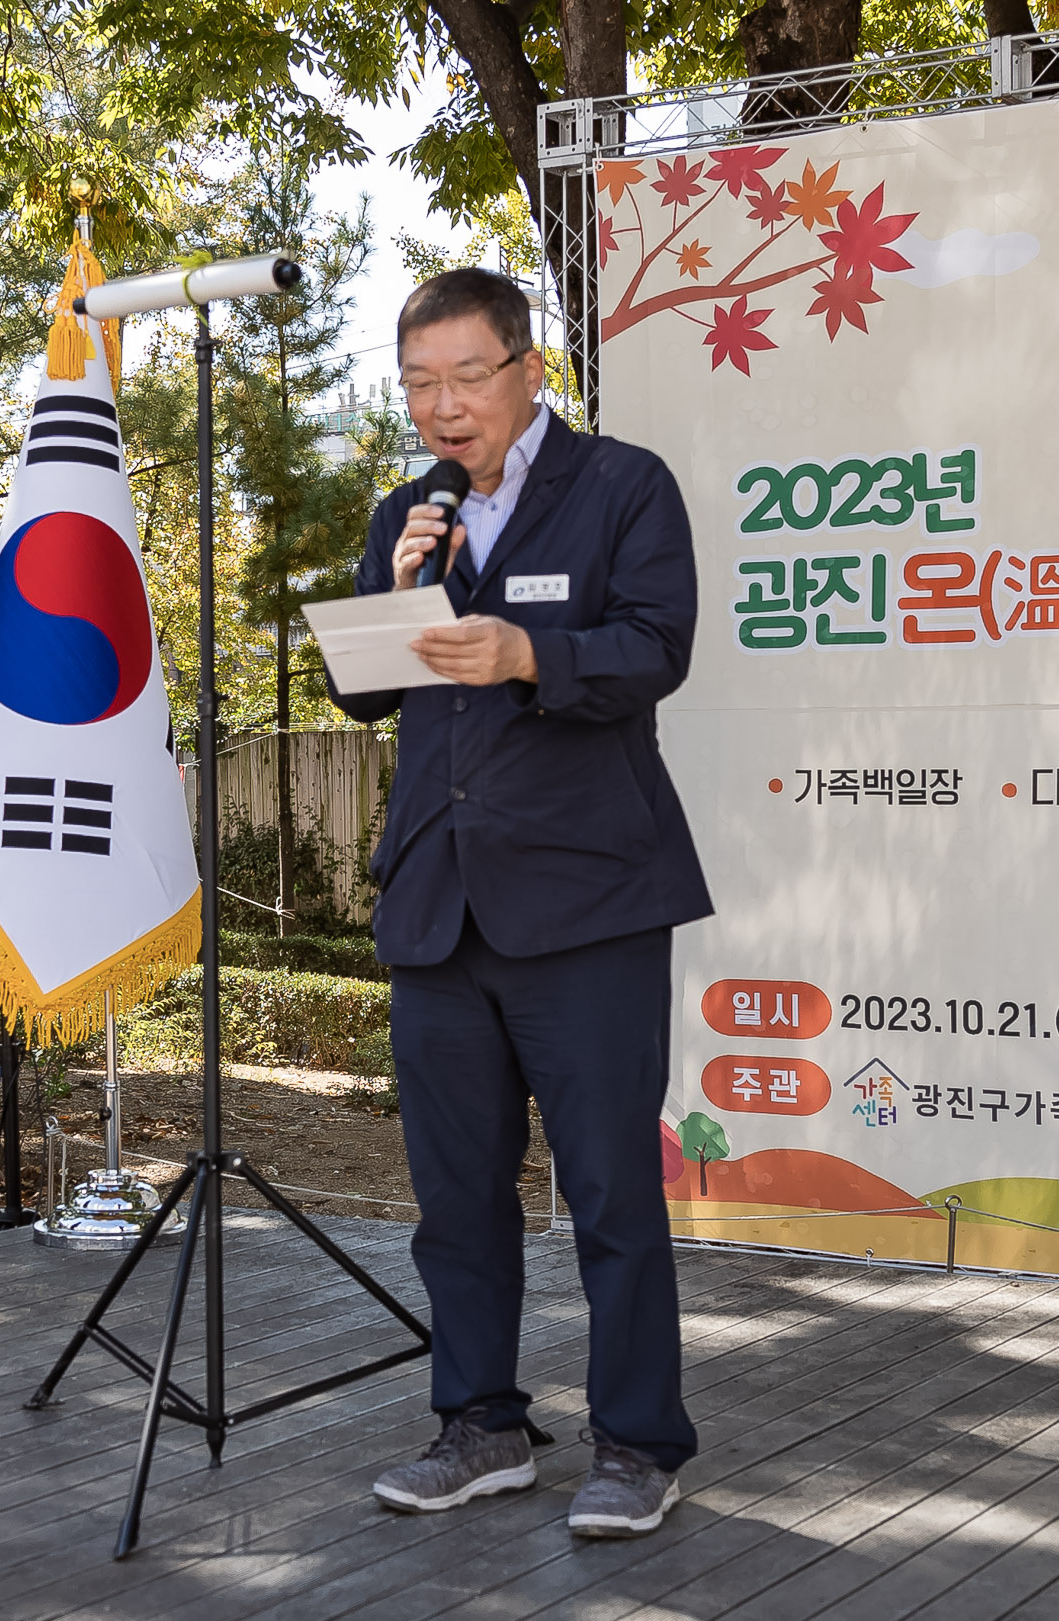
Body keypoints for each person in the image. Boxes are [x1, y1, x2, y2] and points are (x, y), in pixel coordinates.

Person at [328, 268, 715, 1538]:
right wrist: (396, 589)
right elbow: (365, 696)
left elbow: (659, 645)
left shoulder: (621, 487)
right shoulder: (408, 510)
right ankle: (480, 1424)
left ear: (527, 369)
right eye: (418, 383)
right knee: (455, 1198)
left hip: (586, 903)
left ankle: (637, 1443)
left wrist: (531, 650)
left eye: (465, 377)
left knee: (608, 1189)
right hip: (439, 904)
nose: (442, 407)